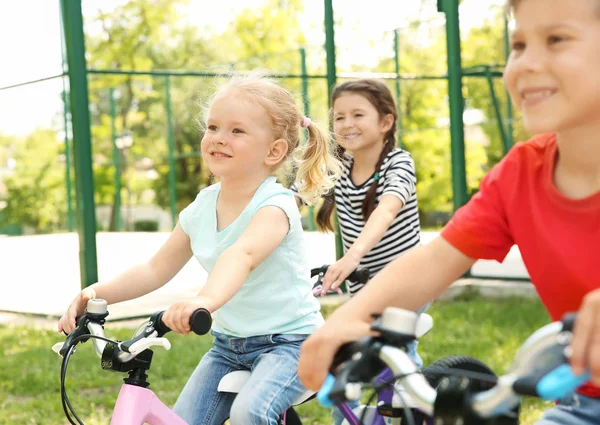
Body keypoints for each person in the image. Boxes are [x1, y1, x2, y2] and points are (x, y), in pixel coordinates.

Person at [298, 1, 600, 424]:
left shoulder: (396, 164)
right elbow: (435, 260)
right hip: (581, 405)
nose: (525, 63)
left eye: (556, 39)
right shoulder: (519, 176)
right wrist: (342, 322)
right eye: (518, 44)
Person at [58, 73, 342, 425]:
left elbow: (242, 255)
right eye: (213, 127)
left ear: (274, 151)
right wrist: (96, 293)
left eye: (237, 131)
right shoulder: (201, 207)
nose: (219, 138)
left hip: (291, 343)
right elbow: (155, 268)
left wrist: (203, 300)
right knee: (184, 420)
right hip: (229, 347)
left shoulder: (275, 206)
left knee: (250, 413)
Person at [296, 79, 426, 424]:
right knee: (347, 371)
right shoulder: (338, 167)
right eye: (339, 117)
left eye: (357, 114)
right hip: (363, 289)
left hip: (407, 283)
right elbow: (293, 197)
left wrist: (351, 257)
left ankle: (421, 408)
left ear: (386, 121)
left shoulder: (398, 163)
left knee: (392, 361)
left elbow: (387, 210)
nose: (346, 124)